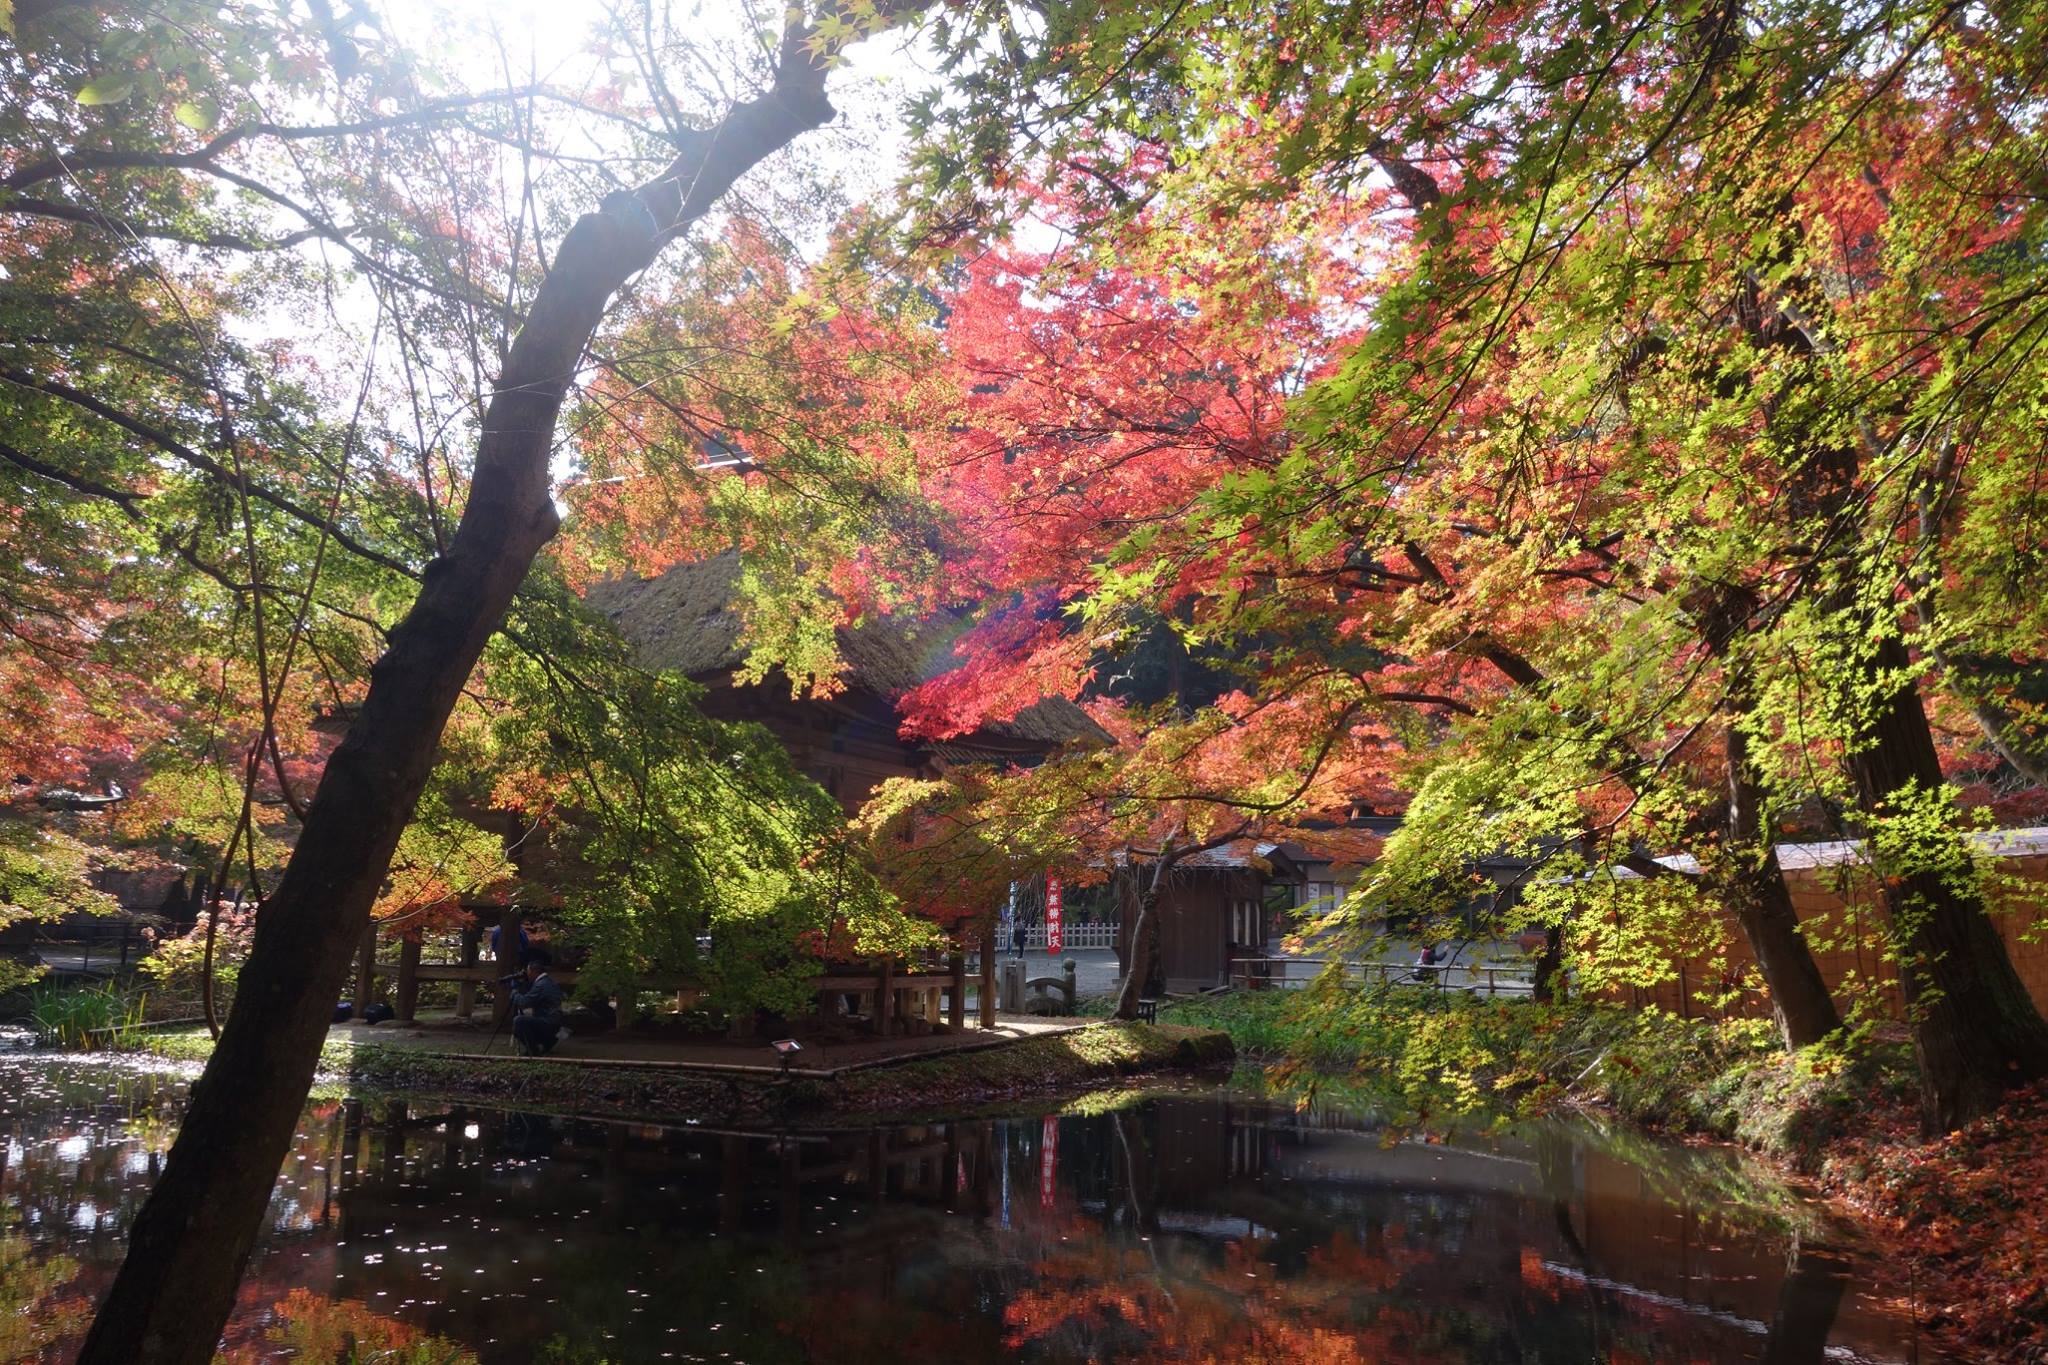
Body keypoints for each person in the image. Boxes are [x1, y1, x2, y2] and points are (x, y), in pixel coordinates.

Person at [509, 949, 565, 1056]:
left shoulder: (541, 985)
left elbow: (524, 1002)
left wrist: (515, 993)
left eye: (528, 972)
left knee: (519, 1021)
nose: (527, 975)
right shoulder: (549, 982)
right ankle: (547, 1043)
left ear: (534, 972)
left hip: (548, 1023)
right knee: (525, 1021)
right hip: (554, 1022)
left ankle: (533, 1050)